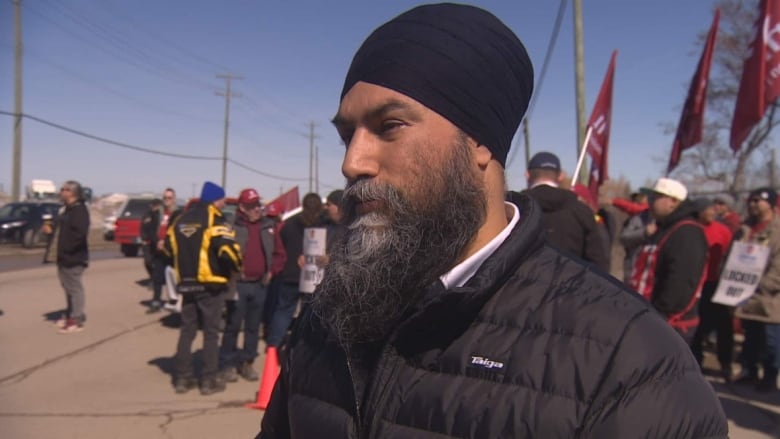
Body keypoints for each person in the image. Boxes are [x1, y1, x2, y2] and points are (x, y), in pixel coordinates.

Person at [258, 4, 727, 438]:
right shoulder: (333, 310)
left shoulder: (629, 359)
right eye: (347, 135)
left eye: (389, 126)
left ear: (480, 141)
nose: (353, 162)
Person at [164, 181, 242, 395]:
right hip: (211, 285)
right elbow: (228, 251)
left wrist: (184, 272)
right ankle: (208, 380)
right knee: (210, 333)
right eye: (223, 200)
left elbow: (168, 250)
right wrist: (235, 269)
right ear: (216, 200)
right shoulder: (215, 219)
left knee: (187, 331)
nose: (223, 203)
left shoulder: (180, 219)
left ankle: (182, 379)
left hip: (186, 284)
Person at [628, 178, 709, 344]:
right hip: (648, 313)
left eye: (655, 197)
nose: (649, 202)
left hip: (670, 323)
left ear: (672, 201)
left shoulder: (687, 232)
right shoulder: (664, 228)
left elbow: (682, 280)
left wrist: (661, 314)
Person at [219, 188, 285, 382]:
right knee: (232, 326)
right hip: (238, 284)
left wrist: (272, 271)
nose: (257, 209)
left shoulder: (268, 226)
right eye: (252, 206)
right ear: (242, 207)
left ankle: (247, 362)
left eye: (258, 204)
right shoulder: (232, 225)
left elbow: (280, 254)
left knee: (253, 327)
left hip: (260, 285)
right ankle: (227, 364)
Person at [521, 152, 609, 271]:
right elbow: (598, 262)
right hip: (573, 285)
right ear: (561, 176)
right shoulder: (581, 211)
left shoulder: (512, 209)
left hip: (522, 286)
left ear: (527, 175)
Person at [733, 187, 780, 392]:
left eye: (757, 201)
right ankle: (749, 370)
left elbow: (778, 267)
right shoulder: (745, 228)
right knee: (750, 337)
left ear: (770, 204)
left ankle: (770, 376)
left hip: (769, 298)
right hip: (745, 294)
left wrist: (763, 285)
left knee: (771, 341)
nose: (752, 205)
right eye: (750, 201)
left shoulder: (777, 230)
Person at [265, 192, 325, 349]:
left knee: (283, 312)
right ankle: (304, 346)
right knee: (309, 314)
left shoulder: (289, 224)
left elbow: (280, 246)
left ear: (302, 206)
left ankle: (273, 344)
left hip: (290, 274)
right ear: (320, 208)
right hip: (313, 278)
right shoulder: (323, 226)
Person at [689, 198, 734, 381]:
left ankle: (726, 363)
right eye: (709, 208)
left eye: (714, 209)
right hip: (695, 285)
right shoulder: (690, 230)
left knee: (724, 326)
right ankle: (695, 361)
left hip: (717, 284)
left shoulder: (723, 231)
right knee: (697, 326)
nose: (713, 211)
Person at [43, 180, 90, 334]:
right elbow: (59, 230)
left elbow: (79, 235)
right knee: (68, 288)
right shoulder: (66, 210)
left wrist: (68, 251)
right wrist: (50, 230)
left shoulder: (80, 210)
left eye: (64, 189)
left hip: (74, 257)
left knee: (75, 288)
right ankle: (70, 314)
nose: (61, 192)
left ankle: (76, 320)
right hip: (62, 256)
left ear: (72, 193)